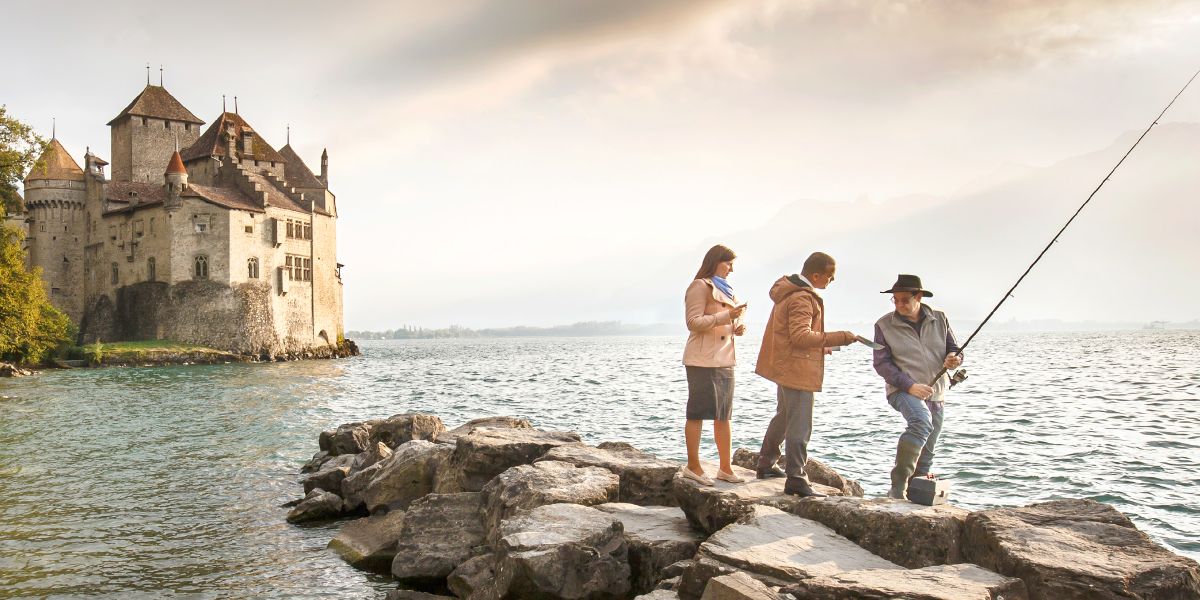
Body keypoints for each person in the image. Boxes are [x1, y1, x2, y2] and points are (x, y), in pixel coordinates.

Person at [754, 252, 858, 497]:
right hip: (797, 370)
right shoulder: (802, 297)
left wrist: (823, 346)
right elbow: (800, 337)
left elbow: (794, 336)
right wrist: (841, 336)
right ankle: (797, 478)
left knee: (784, 416)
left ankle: (766, 463)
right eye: (830, 277)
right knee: (800, 424)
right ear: (816, 275)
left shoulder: (790, 292)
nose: (831, 282)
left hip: (786, 365)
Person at [872, 274, 962, 500]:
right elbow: (881, 364)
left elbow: (954, 348)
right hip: (901, 390)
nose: (900, 305)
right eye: (895, 300)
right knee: (921, 422)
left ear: (919, 296)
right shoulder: (883, 325)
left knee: (928, 449)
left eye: (904, 300)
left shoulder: (940, 319)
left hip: (936, 391)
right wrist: (910, 386)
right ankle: (897, 488)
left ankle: (919, 496)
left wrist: (954, 358)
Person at [681, 244, 747, 486]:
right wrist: (726, 317)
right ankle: (693, 466)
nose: (731, 269)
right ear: (716, 261)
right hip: (701, 360)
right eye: (728, 263)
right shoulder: (700, 286)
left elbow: (722, 322)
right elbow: (693, 322)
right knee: (697, 413)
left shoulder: (728, 290)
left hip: (724, 358)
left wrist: (735, 328)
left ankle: (725, 468)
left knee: (723, 416)